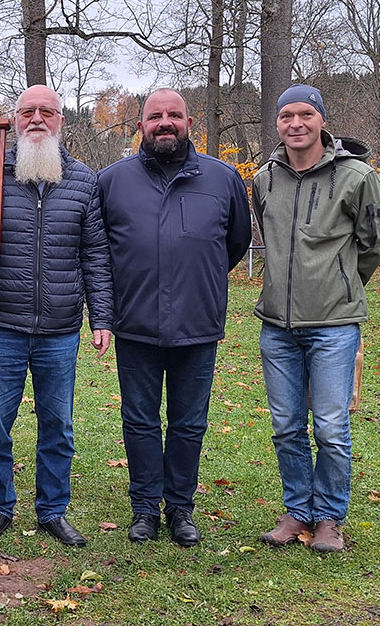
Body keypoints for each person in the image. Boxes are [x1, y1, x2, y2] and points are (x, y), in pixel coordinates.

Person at [96, 88, 251, 546]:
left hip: (197, 324)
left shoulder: (222, 179)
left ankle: (180, 507)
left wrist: (195, 277)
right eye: (155, 116)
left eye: (174, 115)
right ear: (140, 125)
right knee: (139, 420)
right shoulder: (112, 181)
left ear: (189, 122)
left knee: (189, 423)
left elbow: (235, 242)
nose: (165, 123)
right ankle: (144, 507)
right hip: (135, 322)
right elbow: (100, 249)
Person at [0, 85, 113, 547]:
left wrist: (101, 317)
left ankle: (52, 510)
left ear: (62, 120)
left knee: (58, 427)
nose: (37, 119)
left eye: (47, 111)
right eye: (28, 111)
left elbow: (96, 256)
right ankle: (0, 505)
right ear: (14, 119)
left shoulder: (84, 180)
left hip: (60, 331)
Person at [254, 84, 380, 552]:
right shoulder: (264, 179)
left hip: (333, 325)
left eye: (305, 114)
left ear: (321, 120)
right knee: (287, 426)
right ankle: (297, 512)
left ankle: (330, 517)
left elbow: (375, 242)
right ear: (277, 123)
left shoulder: (356, 176)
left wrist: (342, 286)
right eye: (286, 115)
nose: (296, 123)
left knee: (330, 428)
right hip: (277, 327)